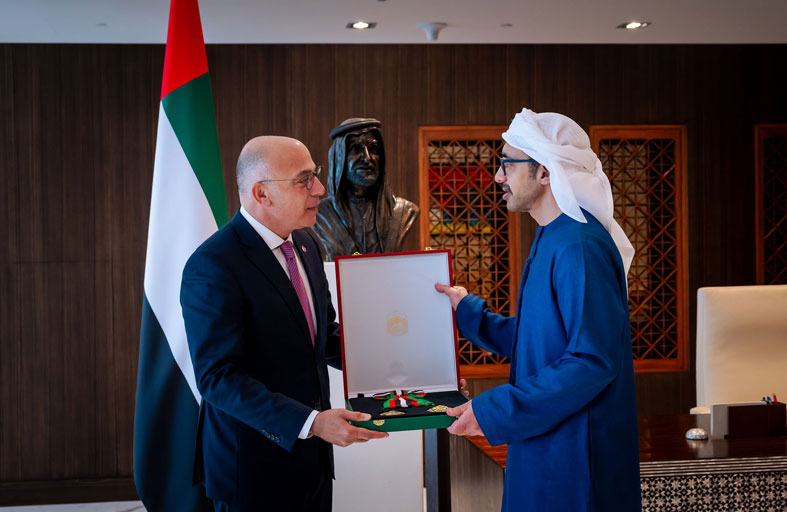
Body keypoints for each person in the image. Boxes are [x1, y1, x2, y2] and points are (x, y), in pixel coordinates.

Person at [436, 108, 641, 511]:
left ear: (544, 172)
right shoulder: (555, 236)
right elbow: (541, 336)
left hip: (575, 461)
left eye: (507, 164)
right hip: (548, 443)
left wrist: (494, 409)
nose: (499, 177)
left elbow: (591, 361)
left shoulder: (579, 245)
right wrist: (468, 312)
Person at [181, 136, 388, 512]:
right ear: (261, 193)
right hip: (252, 470)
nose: (320, 189)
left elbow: (323, 338)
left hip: (313, 464)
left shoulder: (306, 245)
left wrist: (408, 367)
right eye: (304, 179)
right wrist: (312, 422)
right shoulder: (213, 265)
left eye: (315, 175)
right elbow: (218, 378)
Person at [310, 117, 419, 260]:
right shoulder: (320, 213)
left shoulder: (404, 211)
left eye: (373, 149)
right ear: (339, 158)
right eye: (355, 149)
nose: (367, 158)